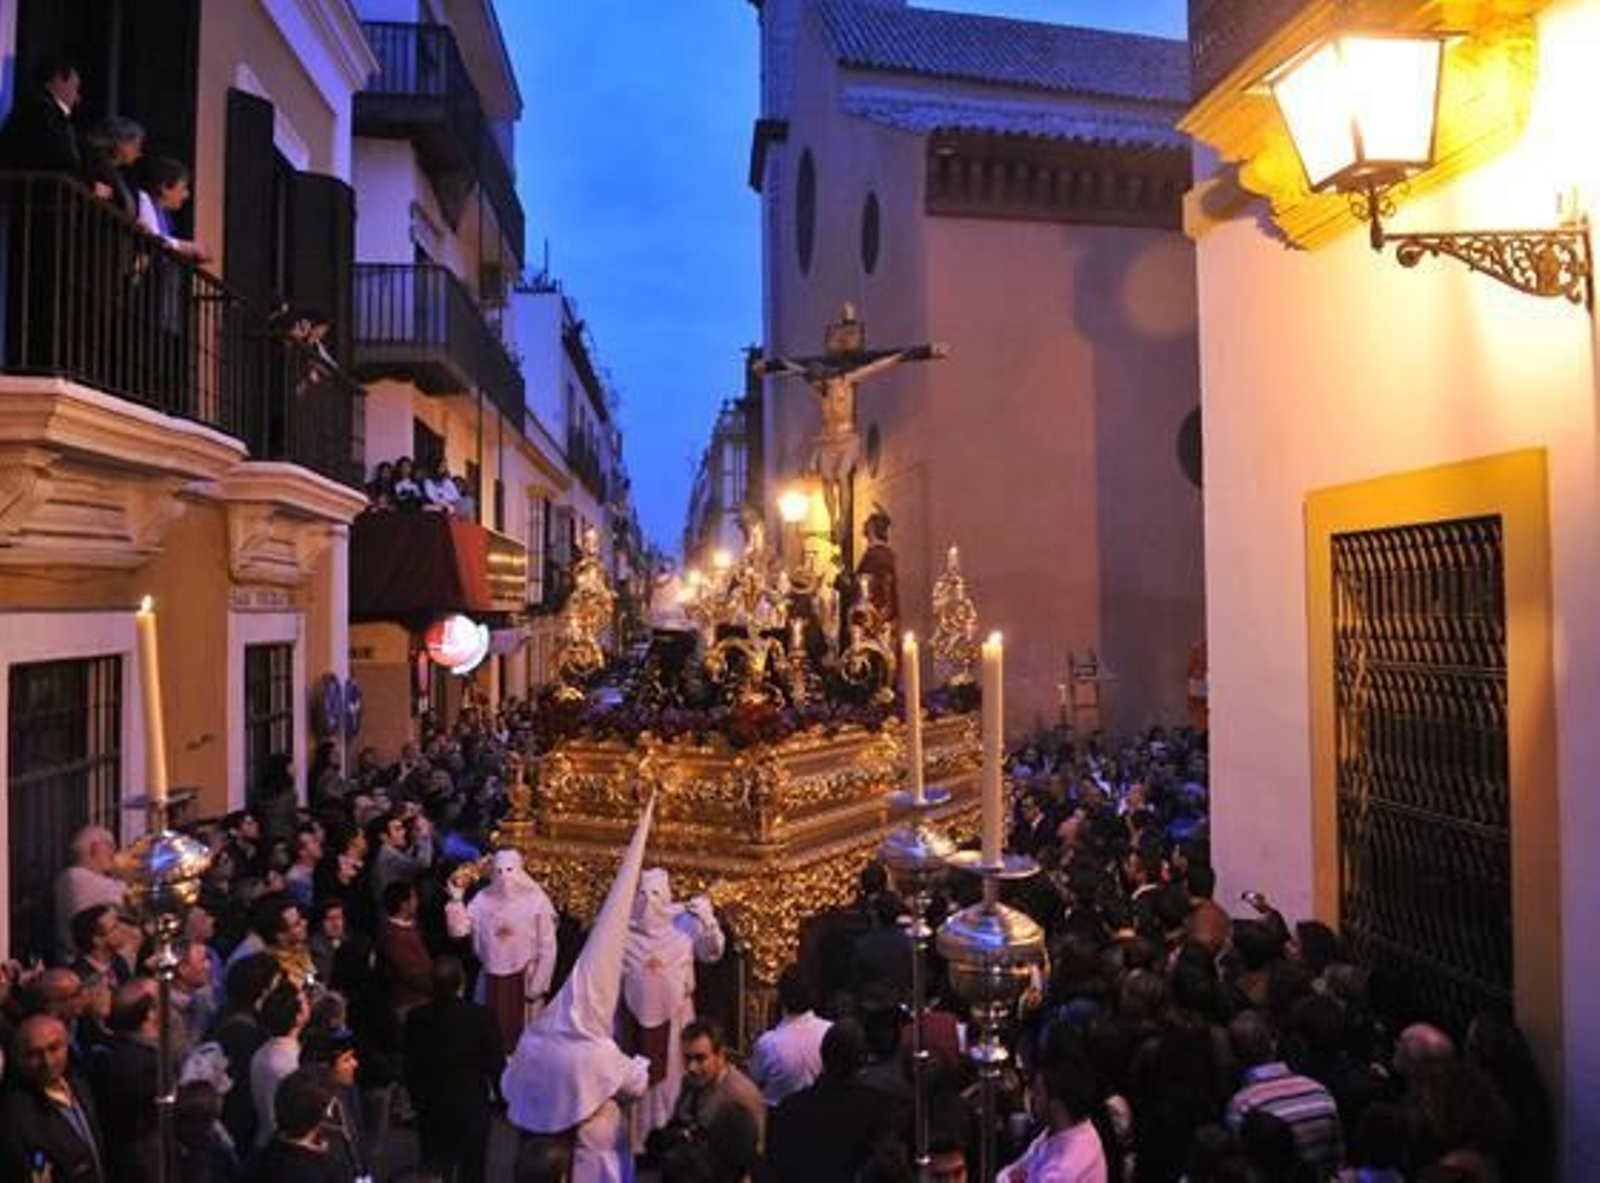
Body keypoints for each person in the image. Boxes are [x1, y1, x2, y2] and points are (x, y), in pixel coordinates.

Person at [503, 800, 657, 1183]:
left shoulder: (535, 1036)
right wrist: (639, 1061)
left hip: (533, 1154)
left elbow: (512, 1087)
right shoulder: (596, 1052)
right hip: (586, 1163)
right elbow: (636, 1083)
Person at [620, 867, 726, 1142]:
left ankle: (670, 1138)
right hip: (634, 1020)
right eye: (642, 894)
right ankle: (638, 1140)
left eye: (656, 894)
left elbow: (712, 952)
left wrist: (708, 922)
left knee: (674, 1078)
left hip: (677, 1019)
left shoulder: (683, 926)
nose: (648, 902)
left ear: (666, 896)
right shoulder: (623, 932)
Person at [444, 847, 558, 1052]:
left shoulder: (536, 901)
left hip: (525, 979)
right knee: (491, 1038)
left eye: (510, 870)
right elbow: (458, 931)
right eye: (499, 871)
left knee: (524, 1042)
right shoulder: (482, 900)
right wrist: (456, 900)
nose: (505, 877)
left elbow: (548, 946)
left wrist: (538, 983)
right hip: (490, 979)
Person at [402, 957, 504, 1183]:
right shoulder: (481, 1017)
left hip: (431, 1107)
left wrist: (417, 1102)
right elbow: (495, 1064)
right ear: (461, 983)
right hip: (471, 1106)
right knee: (472, 1170)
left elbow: (410, 1066)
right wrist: (503, 1101)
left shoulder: (417, 1018)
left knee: (434, 1170)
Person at [0, 1013, 108, 1183]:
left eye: (54, 1048)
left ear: (67, 1045)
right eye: (34, 1054)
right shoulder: (15, 1116)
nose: (47, 1061)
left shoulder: (79, 1084)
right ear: (19, 1059)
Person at [664, 1019, 765, 1182]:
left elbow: (753, 1159)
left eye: (700, 1058)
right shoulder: (690, 1081)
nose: (691, 1067)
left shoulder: (740, 1094)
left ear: (720, 1055)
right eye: (687, 1058)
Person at [997, 1045, 1109, 1183]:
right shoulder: (1062, 1130)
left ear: (1055, 1105)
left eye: (1037, 1092)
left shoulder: (1063, 1171)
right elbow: (1007, 1173)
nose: (1031, 1097)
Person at [748, 966, 831, 1106]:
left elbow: (752, 1084)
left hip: (778, 1117)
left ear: (780, 997)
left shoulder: (768, 1043)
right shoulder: (830, 1030)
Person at [0, 58, 87, 176]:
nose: (77, 99)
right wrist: (89, 182)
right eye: (75, 87)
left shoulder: (39, 108)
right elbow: (60, 158)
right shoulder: (39, 111)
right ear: (58, 80)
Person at [55, 825, 126, 962]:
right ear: (95, 848)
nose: (114, 853)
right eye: (110, 846)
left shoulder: (69, 877)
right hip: (83, 967)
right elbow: (130, 897)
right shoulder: (76, 877)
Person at [135, 156, 210, 263]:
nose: (186, 195)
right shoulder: (144, 200)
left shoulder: (167, 218)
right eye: (183, 188)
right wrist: (188, 247)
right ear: (165, 188)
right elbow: (155, 239)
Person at [83, 116, 143, 219]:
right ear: (119, 143)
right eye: (134, 145)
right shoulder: (93, 169)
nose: (138, 152)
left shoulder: (126, 176)